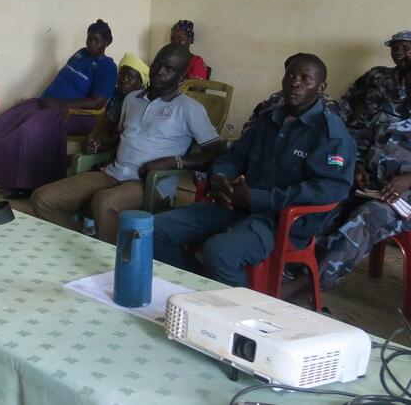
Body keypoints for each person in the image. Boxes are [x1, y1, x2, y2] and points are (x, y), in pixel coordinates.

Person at [288, 54, 411, 305]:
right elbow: (360, 141)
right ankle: (292, 265)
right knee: (326, 199)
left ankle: (309, 284)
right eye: (409, 86)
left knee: (367, 216)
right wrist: (355, 165)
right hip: (370, 183)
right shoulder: (391, 108)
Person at [152, 54, 355, 286]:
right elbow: (234, 156)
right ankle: (200, 287)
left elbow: (330, 189)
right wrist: (220, 177)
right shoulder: (269, 119)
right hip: (236, 204)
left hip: (280, 220)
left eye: (305, 79)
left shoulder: (330, 133)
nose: (295, 82)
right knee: (153, 230)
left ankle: (240, 313)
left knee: (219, 253)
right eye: (290, 75)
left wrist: (257, 197)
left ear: (321, 88)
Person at [31, 44, 220, 243]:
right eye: (157, 64)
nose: (159, 71)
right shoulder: (131, 99)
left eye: (169, 69)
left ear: (181, 78)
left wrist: (174, 162)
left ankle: (116, 264)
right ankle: (84, 245)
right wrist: (100, 146)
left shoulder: (189, 108)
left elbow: (214, 152)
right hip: (113, 173)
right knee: (43, 199)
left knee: (104, 203)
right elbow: (122, 139)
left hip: (152, 183)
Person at [0, 20, 117, 198]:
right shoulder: (80, 54)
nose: (91, 43)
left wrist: (58, 104)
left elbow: (97, 102)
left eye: (97, 40)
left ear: (106, 43)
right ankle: (4, 179)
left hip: (74, 115)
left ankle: (28, 186)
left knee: (29, 130)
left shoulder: (107, 67)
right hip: (45, 105)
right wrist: (49, 102)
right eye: (89, 38)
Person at [337, 30, 411, 140]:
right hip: (355, 137)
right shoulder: (377, 74)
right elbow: (348, 99)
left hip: (390, 146)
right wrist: (339, 127)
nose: (399, 53)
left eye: (405, 48)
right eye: (394, 49)